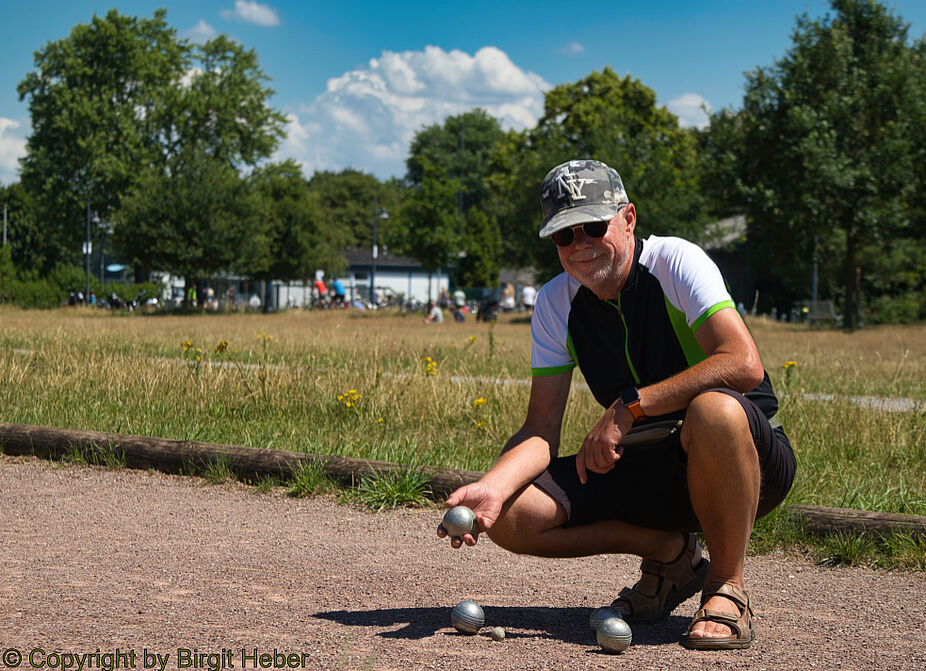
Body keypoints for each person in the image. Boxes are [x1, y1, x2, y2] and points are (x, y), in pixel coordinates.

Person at [438, 159, 795, 651]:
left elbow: (743, 362)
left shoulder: (675, 262)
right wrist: (492, 486)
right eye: (564, 235)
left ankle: (726, 585)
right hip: (647, 468)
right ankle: (672, 556)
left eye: (593, 226)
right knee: (515, 516)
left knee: (714, 409)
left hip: (741, 461)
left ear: (628, 219)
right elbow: (541, 427)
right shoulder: (555, 302)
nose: (580, 244)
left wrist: (628, 407)